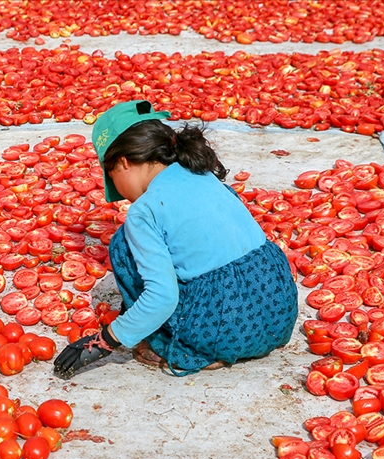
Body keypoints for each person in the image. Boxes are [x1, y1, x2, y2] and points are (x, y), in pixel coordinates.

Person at [53, 100, 298, 378]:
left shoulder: (144, 212)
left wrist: (105, 340)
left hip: (227, 330)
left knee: (123, 244)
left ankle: (191, 348)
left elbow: (162, 297)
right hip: (278, 312)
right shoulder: (202, 174)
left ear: (122, 163)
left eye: (110, 175)